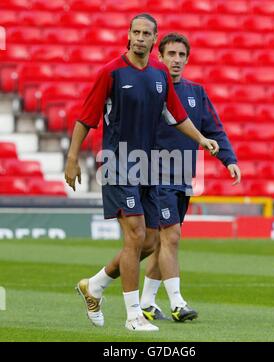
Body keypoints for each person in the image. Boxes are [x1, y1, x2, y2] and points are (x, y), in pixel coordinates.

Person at [64, 15, 219, 332]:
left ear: (154, 39)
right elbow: (86, 118)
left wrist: (201, 139)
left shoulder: (160, 73)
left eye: (146, 33)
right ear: (128, 35)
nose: (139, 38)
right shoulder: (111, 72)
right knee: (135, 236)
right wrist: (72, 157)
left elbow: (176, 115)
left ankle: (94, 285)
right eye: (135, 32)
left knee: (149, 242)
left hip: (150, 166)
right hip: (119, 162)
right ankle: (134, 315)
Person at [139, 33, 241, 322]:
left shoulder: (196, 93)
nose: (176, 60)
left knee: (161, 244)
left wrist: (229, 160)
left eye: (181, 55)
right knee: (172, 237)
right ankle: (177, 303)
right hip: (155, 175)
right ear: (160, 56)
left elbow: (214, 129)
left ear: (187, 59)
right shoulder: (150, 91)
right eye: (171, 54)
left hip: (184, 176)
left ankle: (146, 302)